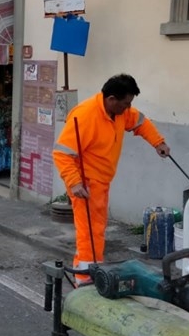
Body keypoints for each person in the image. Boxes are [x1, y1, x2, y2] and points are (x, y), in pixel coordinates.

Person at [53, 74, 170, 285]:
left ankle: (92, 269)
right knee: (89, 231)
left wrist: (158, 142)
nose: (128, 108)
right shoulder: (86, 115)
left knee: (95, 229)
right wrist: (74, 182)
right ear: (111, 99)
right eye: (126, 103)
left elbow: (140, 122)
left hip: (101, 181)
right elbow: (62, 153)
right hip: (85, 183)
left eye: (130, 104)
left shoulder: (120, 113)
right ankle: (85, 278)